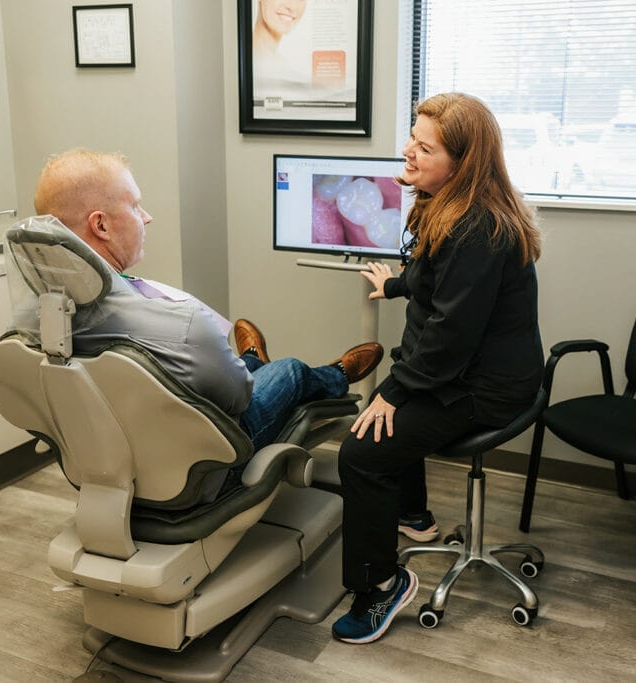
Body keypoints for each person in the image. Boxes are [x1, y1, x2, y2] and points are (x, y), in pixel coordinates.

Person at [331, 93, 544, 644]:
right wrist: (396, 284)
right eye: (412, 137)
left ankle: (382, 585)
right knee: (389, 414)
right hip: (459, 369)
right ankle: (416, 518)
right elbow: (437, 282)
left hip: (489, 387)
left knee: (362, 449)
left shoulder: (479, 228)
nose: (408, 151)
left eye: (424, 147)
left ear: (463, 162)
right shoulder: (444, 202)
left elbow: (451, 334)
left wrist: (395, 392)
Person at [28, 148, 383, 460]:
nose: (147, 217)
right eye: (135, 206)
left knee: (246, 369)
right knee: (289, 370)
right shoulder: (178, 324)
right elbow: (239, 397)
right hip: (210, 460)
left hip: (118, 458)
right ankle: (334, 375)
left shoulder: (38, 322)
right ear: (101, 225)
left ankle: (252, 359)